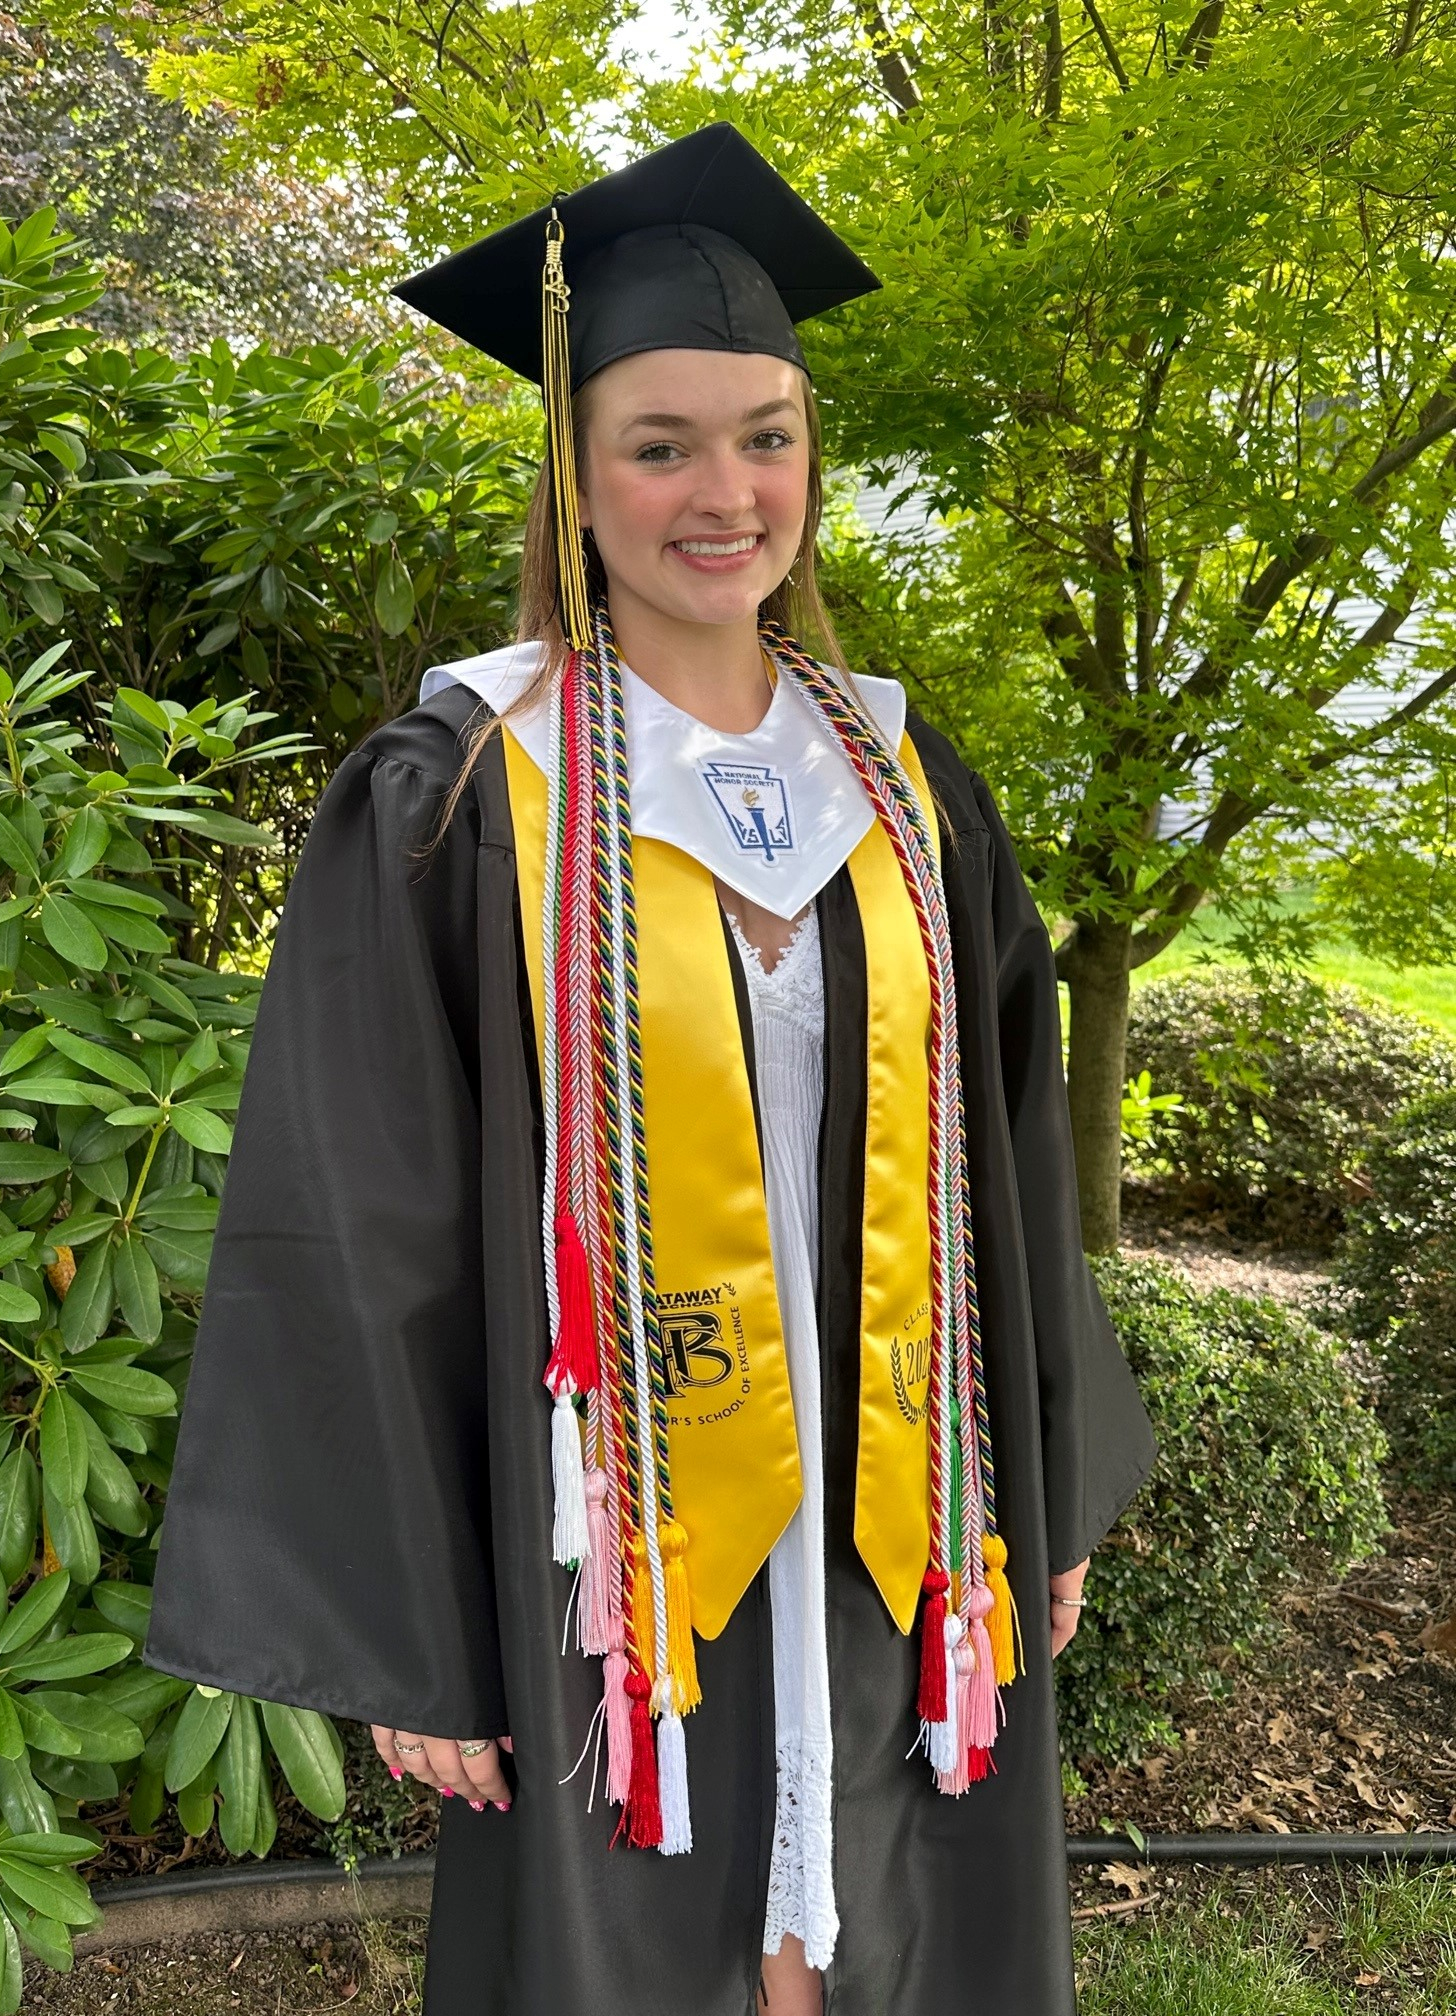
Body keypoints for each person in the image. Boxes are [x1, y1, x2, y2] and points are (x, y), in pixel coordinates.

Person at [142, 123, 1157, 2016]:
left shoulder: (906, 786)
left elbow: (1012, 1153)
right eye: (661, 444)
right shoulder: (462, 794)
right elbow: (361, 1220)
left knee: (888, 1934)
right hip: (613, 1550)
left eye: (767, 436)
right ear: (574, 470)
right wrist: (417, 1627)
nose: (726, 493)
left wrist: (1045, 1483)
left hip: (896, 1514)